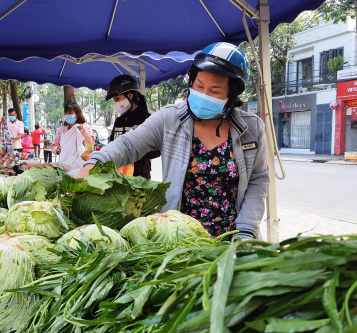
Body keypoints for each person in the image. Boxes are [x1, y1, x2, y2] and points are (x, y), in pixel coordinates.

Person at [75, 42, 269, 239]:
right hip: (177, 237)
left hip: (233, 238)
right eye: (199, 86)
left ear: (231, 95)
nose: (203, 94)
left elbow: (258, 181)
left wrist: (246, 231)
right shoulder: (169, 119)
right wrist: (96, 162)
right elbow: (129, 145)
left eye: (215, 91)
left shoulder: (252, 129)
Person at [105, 75, 160, 179]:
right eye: (114, 100)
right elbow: (111, 145)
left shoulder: (147, 119)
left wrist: (132, 154)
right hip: (119, 178)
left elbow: (157, 150)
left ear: (130, 96)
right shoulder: (118, 121)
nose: (115, 103)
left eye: (117, 99)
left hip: (141, 180)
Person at [51, 102, 95, 172]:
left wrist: (82, 129)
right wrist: (57, 149)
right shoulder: (61, 130)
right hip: (63, 165)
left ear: (77, 114)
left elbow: (90, 144)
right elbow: (54, 146)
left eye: (70, 113)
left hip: (80, 166)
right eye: (66, 113)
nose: (68, 115)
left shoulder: (86, 128)